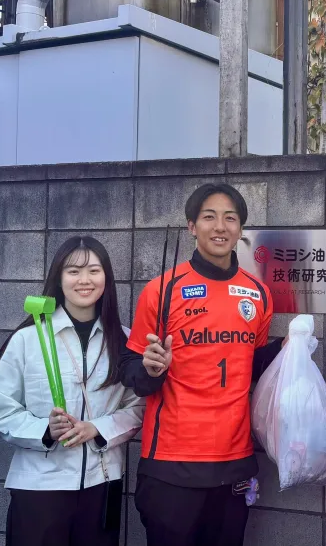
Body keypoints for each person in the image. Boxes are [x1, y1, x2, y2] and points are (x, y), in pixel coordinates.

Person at [120, 183, 282, 546]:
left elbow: (250, 366)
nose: (220, 227)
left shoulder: (258, 293)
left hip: (235, 462)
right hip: (170, 464)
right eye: (209, 217)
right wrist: (149, 369)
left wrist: (286, 350)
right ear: (192, 226)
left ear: (241, 229)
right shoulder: (162, 289)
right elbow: (129, 366)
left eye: (230, 218)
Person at [0, 236, 143, 546]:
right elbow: (0, 409)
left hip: (102, 482)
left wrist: (97, 428)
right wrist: (44, 430)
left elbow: (138, 407)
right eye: (73, 271)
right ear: (58, 278)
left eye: (94, 270)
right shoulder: (27, 339)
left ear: (106, 278)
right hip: (38, 485)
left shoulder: (126, 340)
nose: (84, 280)